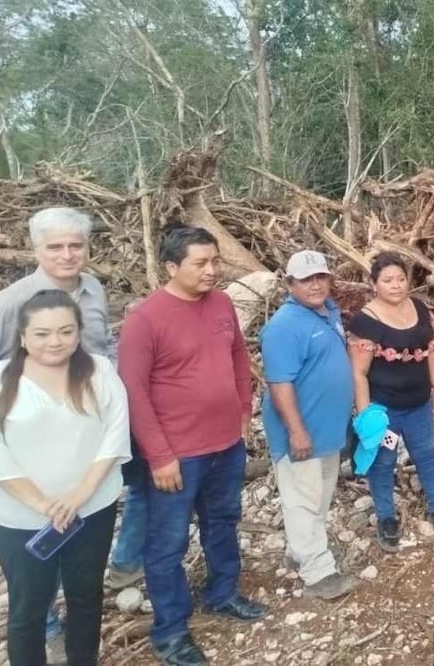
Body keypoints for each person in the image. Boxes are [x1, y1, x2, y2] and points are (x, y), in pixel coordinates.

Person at [0, 207, 144, 663]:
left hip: (89, 479)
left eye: (75, 245)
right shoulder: (8, 306)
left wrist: (79, 493)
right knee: (30, 606)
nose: (67, 254)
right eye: (55, 246)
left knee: (85, 593)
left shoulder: (92, 289)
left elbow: (104, 359)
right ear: (35, 249)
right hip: (24, 494)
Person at [118, 227, 265, 666]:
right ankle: (171, 631)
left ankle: (222, 592)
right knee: (167, 544)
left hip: (226, 444)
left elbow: (238, 356)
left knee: (222, 521)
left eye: (215, 261)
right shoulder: (145, 319)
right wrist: (159, 456)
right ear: (171, 267)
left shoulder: (221, 304)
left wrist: (243, 409)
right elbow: (133, 392)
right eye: (200, 263)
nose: (211, 270)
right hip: (177, 454)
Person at [260, 250, 356, 599]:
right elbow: (279, 384)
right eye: (306, 279)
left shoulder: (327, 312)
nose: (315, 285)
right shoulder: (283, 327)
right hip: (302, 433)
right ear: (290, 284)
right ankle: (318, 574)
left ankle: (302, 549)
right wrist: (297, 431)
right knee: (302, 498)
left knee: (318, 496)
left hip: (327, 431)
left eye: (321, 277)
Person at [348, 252, 434, 551]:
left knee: (427, 456)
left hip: (419, 404)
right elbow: (358, 372)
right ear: (374, 285)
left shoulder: (420, 308)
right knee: (382, 463)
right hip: (384, 410)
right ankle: (386, 517)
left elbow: (432, 349)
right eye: (387, 281)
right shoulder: (365, 321)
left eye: (400, 279)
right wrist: (365, 413)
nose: (395, 286)